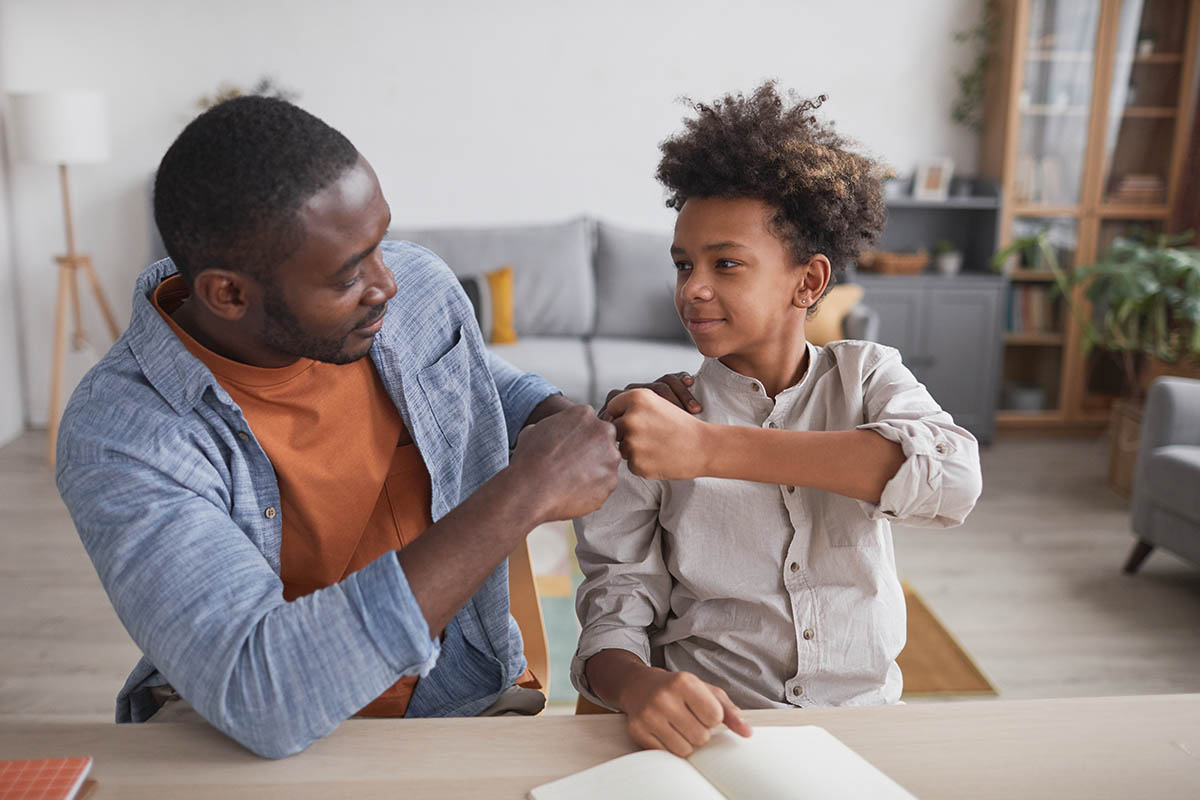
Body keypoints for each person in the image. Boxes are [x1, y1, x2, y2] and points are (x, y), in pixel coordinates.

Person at [55, 96, 621, 759]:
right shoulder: (121, 438)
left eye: (381, 242)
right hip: (242, 743)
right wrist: (525, 495)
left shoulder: (416, 289)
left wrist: (562, 419)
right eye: (350, 274)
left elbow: (477, 380)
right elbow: (263, 696)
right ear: (228, 294)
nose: (388, 282)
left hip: (462, 695)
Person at [572, 83, 984, 757]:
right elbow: (613, 609)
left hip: (867, 724)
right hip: (715, 733)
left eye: (725, 263)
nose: (691, 288)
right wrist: (636, 686)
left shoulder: (867, 377)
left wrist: (708, 450)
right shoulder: (651, 419)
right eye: (683, 264)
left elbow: (952, 481)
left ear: (809, 282)